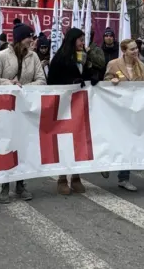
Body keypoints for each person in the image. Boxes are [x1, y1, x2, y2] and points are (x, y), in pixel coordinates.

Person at [0, 23, 44, 202]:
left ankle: (20, 184)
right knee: (6, 146)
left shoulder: (33, 56)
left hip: (25, 107)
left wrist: (24, 87)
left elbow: (42, 80)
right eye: (29, 37)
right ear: (20, 38)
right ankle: (5, 185)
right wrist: (10, 84)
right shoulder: (2, 56)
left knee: (23, 147)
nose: (31, 40)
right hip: (5, 108)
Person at [47, 28, 94, 195]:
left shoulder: (84, 57)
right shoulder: (59, 59)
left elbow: (88, 74)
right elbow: (51, 82)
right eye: (80, 40)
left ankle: (76, 176)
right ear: (72, 40)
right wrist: (70, 82)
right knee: (65, 142)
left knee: (79, 140)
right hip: (64, 107)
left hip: (80, 106)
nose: (82, 43)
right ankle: (61, 178)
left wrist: (92, 77)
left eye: (84, 40)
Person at [101, 38, 144, 192]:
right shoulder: (113, 64)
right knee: (113, 139)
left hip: (132, 110)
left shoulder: (141, 65)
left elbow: (142, 87)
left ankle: (124, 178)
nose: (135, 51)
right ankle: (105, 162)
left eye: (136, 48)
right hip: (116, 109)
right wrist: (111, 80)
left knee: (128, 143)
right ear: (124, 51)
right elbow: (105, 82)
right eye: (132, 49)